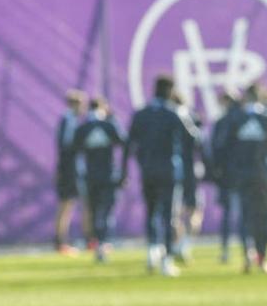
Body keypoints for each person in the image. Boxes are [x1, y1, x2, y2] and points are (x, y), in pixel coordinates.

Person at [123, 74, 192, 277]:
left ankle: (153, 249)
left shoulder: (141, 114)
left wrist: (124, 171)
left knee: (151, 211)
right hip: (169, 170)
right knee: (169, 215)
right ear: (170, 90)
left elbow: (129, 144)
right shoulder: (174, 113)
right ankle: (166, 259)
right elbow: (194, 138)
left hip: (148, 170)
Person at [214, 84, 267, 274]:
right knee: (264, 217)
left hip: (242, 175)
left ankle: (247, 254)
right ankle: (262, 259)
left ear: (245, 97)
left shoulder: (235, 119)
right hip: (264, 175)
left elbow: (223, 148)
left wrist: (227, 172)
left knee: (245, 216)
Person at [73, 96, 124, 263]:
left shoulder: (83, 128)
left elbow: (74, 148)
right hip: (108, 175)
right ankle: (103, 242)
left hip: (90, 176)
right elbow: (123, 141)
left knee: (94, 212)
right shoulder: (108, 126)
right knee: (107, 211)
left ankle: (97, 243)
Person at [168, 90, 204, 265]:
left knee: (175, 212)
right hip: (187, 170)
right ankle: (183, 245)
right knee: (191, 210)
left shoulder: (167, 118)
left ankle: (180, 245)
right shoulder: (188, 117)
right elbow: (199, 141)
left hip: (174, 170)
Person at [209, 90, 245, 263]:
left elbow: (216, 148)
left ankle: (225, 250)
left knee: (228, 214)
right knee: (245, 214)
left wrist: (216, 171)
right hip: (244, 173)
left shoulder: (223, 122)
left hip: (227, 175)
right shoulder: (245, 119)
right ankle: (248, 250)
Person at [53, 89, 87, 255]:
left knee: (66, 205)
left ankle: (61, 241)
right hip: (69, 169)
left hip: (67, 168)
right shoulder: (69, 119)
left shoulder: (68, 119)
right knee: (66, 205)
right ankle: (61, 241)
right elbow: (66, 145)